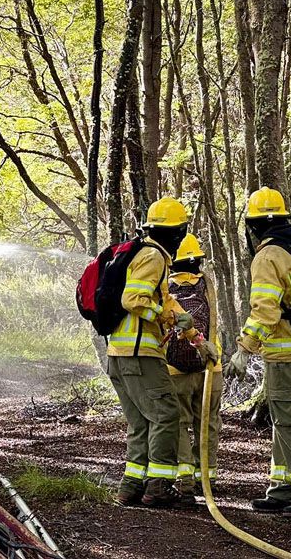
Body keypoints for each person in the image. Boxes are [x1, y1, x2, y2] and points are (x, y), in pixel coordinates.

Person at [225, 186, 291, 518]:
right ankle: (281, 488)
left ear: (254, 225)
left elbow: (265, 311)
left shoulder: (268, 256)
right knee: (284, 420)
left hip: (284, 352)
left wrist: (243, 349)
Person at [107, 197, 199, 507]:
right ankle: (158, 485)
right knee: (167, 414)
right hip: (140, 353)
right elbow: (134, 300)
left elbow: (164, 302)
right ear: (176, 233)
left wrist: (195, 336)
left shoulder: (143, 253)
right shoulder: (153, 256)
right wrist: (166, 317)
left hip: (119, 354)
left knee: (142, 421)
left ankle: (131, 485)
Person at [165, 234, 223, 501]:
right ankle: (206, 477)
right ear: (196, 260)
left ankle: (184, 479)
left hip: (173, 369)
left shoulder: (165, 288)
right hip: (210, 365)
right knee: (207, 422)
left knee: (179, 423)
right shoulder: (208, 285)